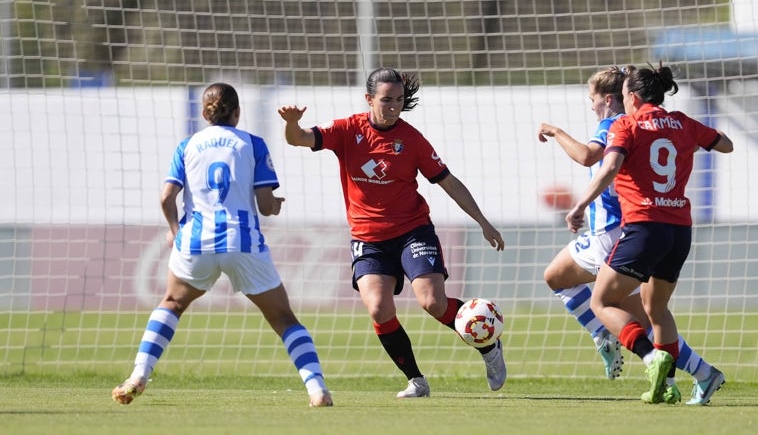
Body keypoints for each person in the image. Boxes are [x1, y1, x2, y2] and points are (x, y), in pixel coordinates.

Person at [277, 67, 506, 398]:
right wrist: (291, 124)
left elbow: (449, 182)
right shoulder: (346, 130)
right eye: (387, 100)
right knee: (379, 309)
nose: (394, 106)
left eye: (399, 100)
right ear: (369, 99)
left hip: (413, 231)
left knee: (431, 302)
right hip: (368, 239)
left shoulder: (411, 140)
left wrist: (484, 222)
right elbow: (299, 139)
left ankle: (489, 346)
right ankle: (416, 380)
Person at [112, 82, 333, 408]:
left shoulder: (186, 146)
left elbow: (166, 197)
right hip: (241, 241)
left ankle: (139, 375)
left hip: (196, 242)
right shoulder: (252, 144)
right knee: (284, 319)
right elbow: (265, 204)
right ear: (238, 113)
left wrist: (176, 231)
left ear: (204, 113)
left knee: (172, 303)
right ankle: (317, 390)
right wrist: (276, 205)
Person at [539, 66, 725, 405]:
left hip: (618, 231)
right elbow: (716, 143)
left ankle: (632, 349)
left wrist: (554, 131)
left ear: (615, 99)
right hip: (666, 228)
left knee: (603, 304)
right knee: (649, 312)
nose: (591, 106)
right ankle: (698, 374)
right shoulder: (673, 123)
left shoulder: (618, 124)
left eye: (593, 100)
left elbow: (590, 158)